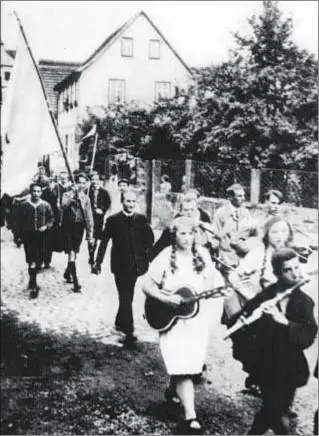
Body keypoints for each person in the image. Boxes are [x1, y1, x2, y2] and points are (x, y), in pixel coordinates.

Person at [143, 216, 225, 434]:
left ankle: (172, 391)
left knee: (188, 364)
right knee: (184, 368)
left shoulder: (204, 256)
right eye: (182, 233)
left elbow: (210, 285)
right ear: (174, 235)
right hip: (171, 320)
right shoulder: (164, 258)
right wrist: (164, 298)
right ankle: (191, 415)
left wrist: (212, 292)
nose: (187, 238)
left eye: (191, 233)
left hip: (195, 320)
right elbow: (146, 286)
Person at [227, 248, 317, 435]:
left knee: (271, 411)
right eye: (288, 270)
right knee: (275, 411)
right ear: (277, 274)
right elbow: (246, 320)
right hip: (266, 364)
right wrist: (244, 322)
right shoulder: (268, 294)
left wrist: (284, 321)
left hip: (289, 367)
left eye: (297, 267)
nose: (295, 273)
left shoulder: (304, 301)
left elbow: (308, 335)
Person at [223, 216, 294, 394]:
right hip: (260, 310)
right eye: (275, 232)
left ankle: (280, 393)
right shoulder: (259, 253)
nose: (280, 236)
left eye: (284, 231)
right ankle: (260, 380)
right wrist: (250, 295)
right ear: (267, 234)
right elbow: (234, 276)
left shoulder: (290, 254)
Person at [92, 190, 154, 345]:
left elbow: (149, 241)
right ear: (122, 202)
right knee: (125, 296)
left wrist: (143, 251)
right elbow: (104, 242)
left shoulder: (141, 219)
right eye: (128, 201)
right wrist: (98, 262)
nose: (131, 204)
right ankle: (129, 330)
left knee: (128, 296)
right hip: (119, 266)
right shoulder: (113, 220)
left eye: (133, 201)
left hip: (135, 266)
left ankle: (120, 321)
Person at [210, 183, 259, 277]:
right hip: (226, 260)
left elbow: (251, 235)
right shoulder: (220, 213)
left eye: (244, 195)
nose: (243, 198)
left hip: (242, 259)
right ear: (230, 197)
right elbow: (215, 237)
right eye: (239, 196)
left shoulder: (246, 213)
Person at [16, 183, 54, 298]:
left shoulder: (46, 205)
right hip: (28, 236)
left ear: (41, 193)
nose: (36, 193)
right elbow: (18, 222)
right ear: (30, 192)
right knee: (31, 259)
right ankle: (34, 285)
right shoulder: (24, 205)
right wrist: (18, 236)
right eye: (34, 191)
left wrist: (46, 226)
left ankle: (32, 279)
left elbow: (51, 218)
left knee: (38, 260)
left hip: (41, 236)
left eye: (38, 191)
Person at [150, 194, 211, 262]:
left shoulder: (203, 223)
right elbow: (158, 249)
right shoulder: (174, 226)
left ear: (197, 210)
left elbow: (211, 246)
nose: (189, 213)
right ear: (181, 211)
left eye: (192, 210)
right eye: (186, 210)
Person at [61, 173, 94, 292]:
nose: (81, 185)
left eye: (83, 183)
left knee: (74, 252)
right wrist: (73, 197)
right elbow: (63, 206)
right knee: (72, 252)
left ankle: (67, 272)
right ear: (74, 183)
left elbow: (89, 217)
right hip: (68, 227)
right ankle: (76, 282)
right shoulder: (66, 194)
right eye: (79, 182)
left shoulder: (86, 198)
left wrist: (90, 232)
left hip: (79, 228)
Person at [87, 171, 111, 270]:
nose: (94, 181)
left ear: (99, 180)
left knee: (96, 237)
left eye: (96, 179)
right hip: (89, 217)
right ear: (90, 181)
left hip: (99, 218)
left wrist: (103, 210)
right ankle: (91, 255)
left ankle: (93, 257)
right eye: (93, 179)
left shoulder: (104, 192)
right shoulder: (88, 191)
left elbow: (108, 203)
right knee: (90, 238)